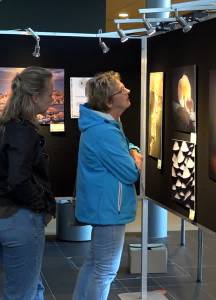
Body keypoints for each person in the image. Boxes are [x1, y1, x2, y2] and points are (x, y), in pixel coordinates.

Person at [73, 71, 142, 300]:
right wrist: (136, 157)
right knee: (104, 271)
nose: (128, 91)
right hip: (109, 209)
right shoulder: (104, 131)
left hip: (106, 205)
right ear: (109, 100)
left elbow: (126, 146)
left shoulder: (108, 124)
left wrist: (132, 150)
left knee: (94, 264)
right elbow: (131, 171)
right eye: (122, 90)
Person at [0, 66, 56, 300]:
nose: (53, 98)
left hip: (8, 216)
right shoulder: (22, 131)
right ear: (35, 97)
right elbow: (18, 179)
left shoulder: (7, 126)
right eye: (50, 93)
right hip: (19, 219)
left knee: (28, 287)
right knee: (22, 292)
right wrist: (41, 205)